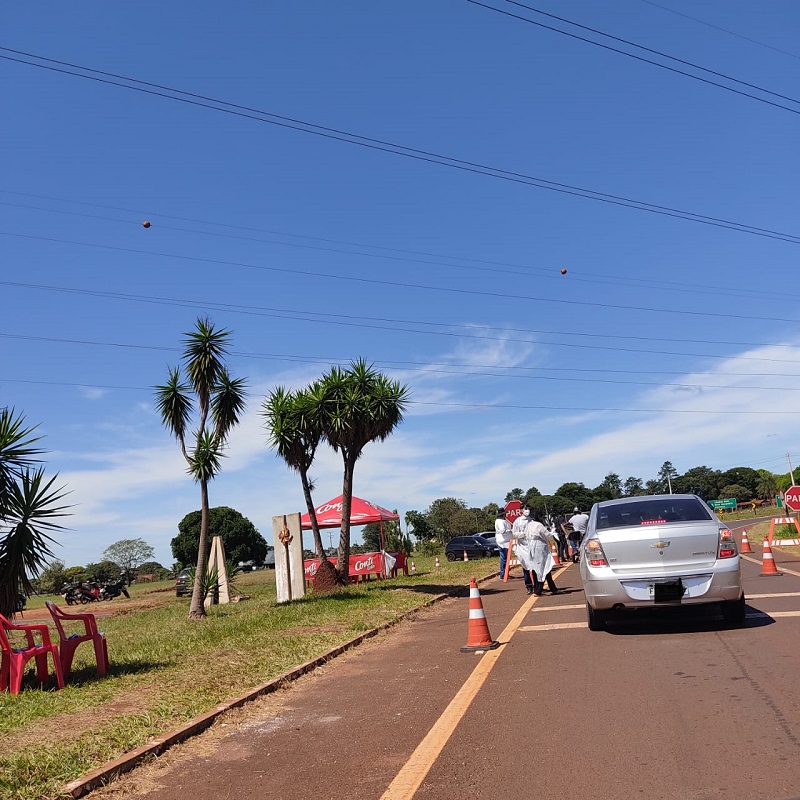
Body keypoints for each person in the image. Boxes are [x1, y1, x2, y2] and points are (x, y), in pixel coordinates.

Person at [515, 508, 560, 596]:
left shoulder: (529, 525)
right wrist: (553, 536)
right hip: (540, 546)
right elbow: (547, 535)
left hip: (531, 546)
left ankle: (550, 588)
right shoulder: (539, 525)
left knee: (538, 567)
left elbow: (525, 534)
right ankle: (539, 589)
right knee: (544, 566)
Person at [494, 508, 513, 579]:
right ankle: (503, 574)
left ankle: (505, 573)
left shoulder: (499, 521)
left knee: (505, 558)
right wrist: (510, 530)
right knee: (504, 558)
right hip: (504, 542)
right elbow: (503, 531)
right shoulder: (501, 522)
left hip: (504, 541)